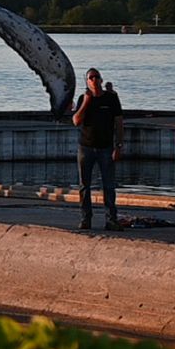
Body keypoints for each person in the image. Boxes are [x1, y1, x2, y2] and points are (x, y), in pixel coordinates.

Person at [70, 67, 125, 230]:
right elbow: (76, 121)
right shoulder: (83, 98)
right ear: (87, 82)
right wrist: (86, 102)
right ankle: (86, 218)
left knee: (108, 185)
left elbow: (119, 123)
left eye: (96, 77)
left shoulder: (111, 98)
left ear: (101, 80)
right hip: (86, 147)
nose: (94, 80)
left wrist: (119, 145)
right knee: (84, 185)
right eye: (90, 78)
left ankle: (111, 219)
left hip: (106, 148)